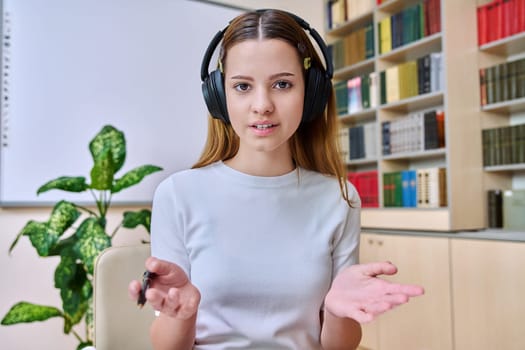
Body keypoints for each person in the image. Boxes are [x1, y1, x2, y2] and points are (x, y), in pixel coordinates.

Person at [128, 9, 424, 350]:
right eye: (242, 86)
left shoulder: (338, 199)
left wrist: (336, 311)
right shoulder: (178, 195)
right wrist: (182, 316)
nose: (262, 105)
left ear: (311, 94)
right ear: (219, 97)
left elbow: (339, 346)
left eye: (282, 84)